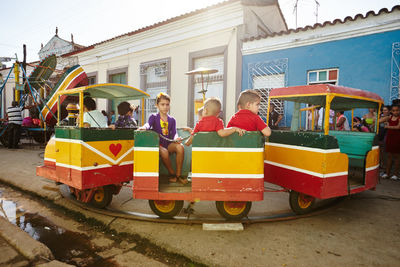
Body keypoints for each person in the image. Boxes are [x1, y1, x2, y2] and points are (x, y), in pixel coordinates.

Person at [139, 93, 186, 184]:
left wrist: (176, 138)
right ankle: (171, 173)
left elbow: (174, 133)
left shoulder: (172, 120)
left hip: (168, 144)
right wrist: (144, 127)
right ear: (157, 105)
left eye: (167, 104)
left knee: (180, 147)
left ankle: (178, 174)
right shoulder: (153, 117)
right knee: (164, 152)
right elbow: (148, 124)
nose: (165, 107)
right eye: (162, 104)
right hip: (158, 145)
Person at [380, 105, 400, 180]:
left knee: (397, 157)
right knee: (389, 156)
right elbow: (379, 121)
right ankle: (387, 173)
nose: (395, 112)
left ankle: (395, 174)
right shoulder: (389, 117)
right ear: (391, 111)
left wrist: (387, 126)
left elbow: (398, 127)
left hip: (397, 138)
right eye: (393, 110)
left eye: (397, 110)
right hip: (390, 138)